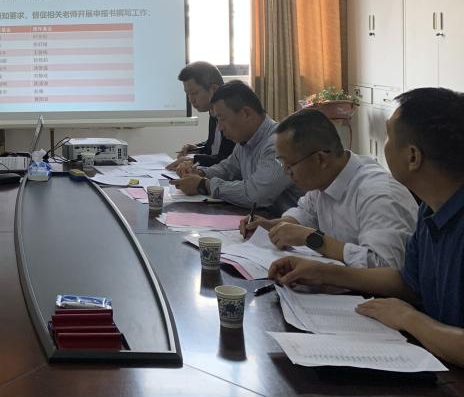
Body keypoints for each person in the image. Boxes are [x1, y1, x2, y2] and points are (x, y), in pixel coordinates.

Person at [270, 88, 464, 366]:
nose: (383, 146)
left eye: (388, 137)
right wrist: (322, 273)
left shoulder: (385, 193)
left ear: (413, 157)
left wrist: (410, 319)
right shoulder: (430, 209)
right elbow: (408, 284)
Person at [240, 107, 417, 267]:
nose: (286, 171)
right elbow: (305, 213)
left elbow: (384, 266)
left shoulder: (378, 195)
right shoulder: (324, 180)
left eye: (289, 164)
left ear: (320, 159)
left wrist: (312, 238)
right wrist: (272, 226)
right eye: (281, 162)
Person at [172, 81, 301, 215]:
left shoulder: (277, 144)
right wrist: (199, 173)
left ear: (246, 113)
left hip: (286, 223)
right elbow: (227, 169)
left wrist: (204, 185)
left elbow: (256, 194)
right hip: (260, 219)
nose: (220, 128)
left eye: (222, 118)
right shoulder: (245, 140)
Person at [167, 62, 234, 171]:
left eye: (194, 93)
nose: (190, 100)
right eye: (187, 94)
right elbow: (214, 146)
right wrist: (197, 149)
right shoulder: (212, 110)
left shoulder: (231, 114)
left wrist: (194, 159)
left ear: (214, 89)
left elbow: (228, 161)